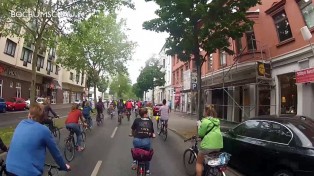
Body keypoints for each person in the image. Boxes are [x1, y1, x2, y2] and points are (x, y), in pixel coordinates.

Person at [6, 104, 70, 176]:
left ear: (29, 114)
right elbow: (56, 153)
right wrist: (63, 166)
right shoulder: (44, 130)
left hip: (9, 168)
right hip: (29, 172)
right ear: (42, 118)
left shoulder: (21, 123)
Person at [196, 105, 223, 176]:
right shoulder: (217, 121)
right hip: (218, 145)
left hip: (207, 146)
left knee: (199, 163)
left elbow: (200, 134)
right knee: (211, 159)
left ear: (205, 112)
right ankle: (211, 170)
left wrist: (199, 126)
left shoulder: (205, 121)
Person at [130, 108, 155, 175]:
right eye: (146, 113)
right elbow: (152, 132)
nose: (147, 114)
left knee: (136, 149)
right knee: (146, 156)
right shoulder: (149, 121)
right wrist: (152, 135)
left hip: (137, 141)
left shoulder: (136, 120)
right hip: (146, 142)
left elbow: (133, 130)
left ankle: (135, 161)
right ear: (145, 114)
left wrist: (133, 135)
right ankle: (147, 171)